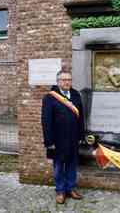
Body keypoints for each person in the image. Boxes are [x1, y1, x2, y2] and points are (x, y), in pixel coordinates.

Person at [41, 70, 85, 204]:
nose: (67, 82)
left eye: (69, 79)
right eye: (64, 79)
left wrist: (80, 135)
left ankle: (70, 188)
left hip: (73, 138)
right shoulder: (50, 97)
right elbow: (46, 120)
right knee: (58, 166)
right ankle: (60, 190)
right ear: (58, 81)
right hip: (57, 140)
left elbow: (81, 117)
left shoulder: (76, 95)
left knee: (72, 165)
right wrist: (49, 141)